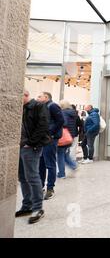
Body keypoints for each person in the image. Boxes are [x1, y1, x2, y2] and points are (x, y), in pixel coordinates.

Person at [16, 90, 50, 224]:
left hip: (31, 147)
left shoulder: (38, 106)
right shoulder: (23, 108)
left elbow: (43, 126)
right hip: (20, 147)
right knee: (23, 177)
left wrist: (30, 143)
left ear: (25, 94)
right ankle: (27, 206)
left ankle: (38, 208)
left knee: (32, 176)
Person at [37, 92, 64, 200]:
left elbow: (61, 120)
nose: (37, 97)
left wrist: (50, 133)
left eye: (40, 96)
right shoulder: (44, 106)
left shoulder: (52, 105)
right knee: (41, 163)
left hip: (50, 139)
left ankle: (50, 188)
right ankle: (40, 186)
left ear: (46, 97)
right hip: (43, 139)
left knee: (50, 164)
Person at [57, 100, 79, 178]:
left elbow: (64, 123)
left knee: (60, 156)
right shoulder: (73, 113)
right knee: (65, 154)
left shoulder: (63, 112)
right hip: (70, 136)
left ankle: (61, 174)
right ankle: (74, 166)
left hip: (63, 137)